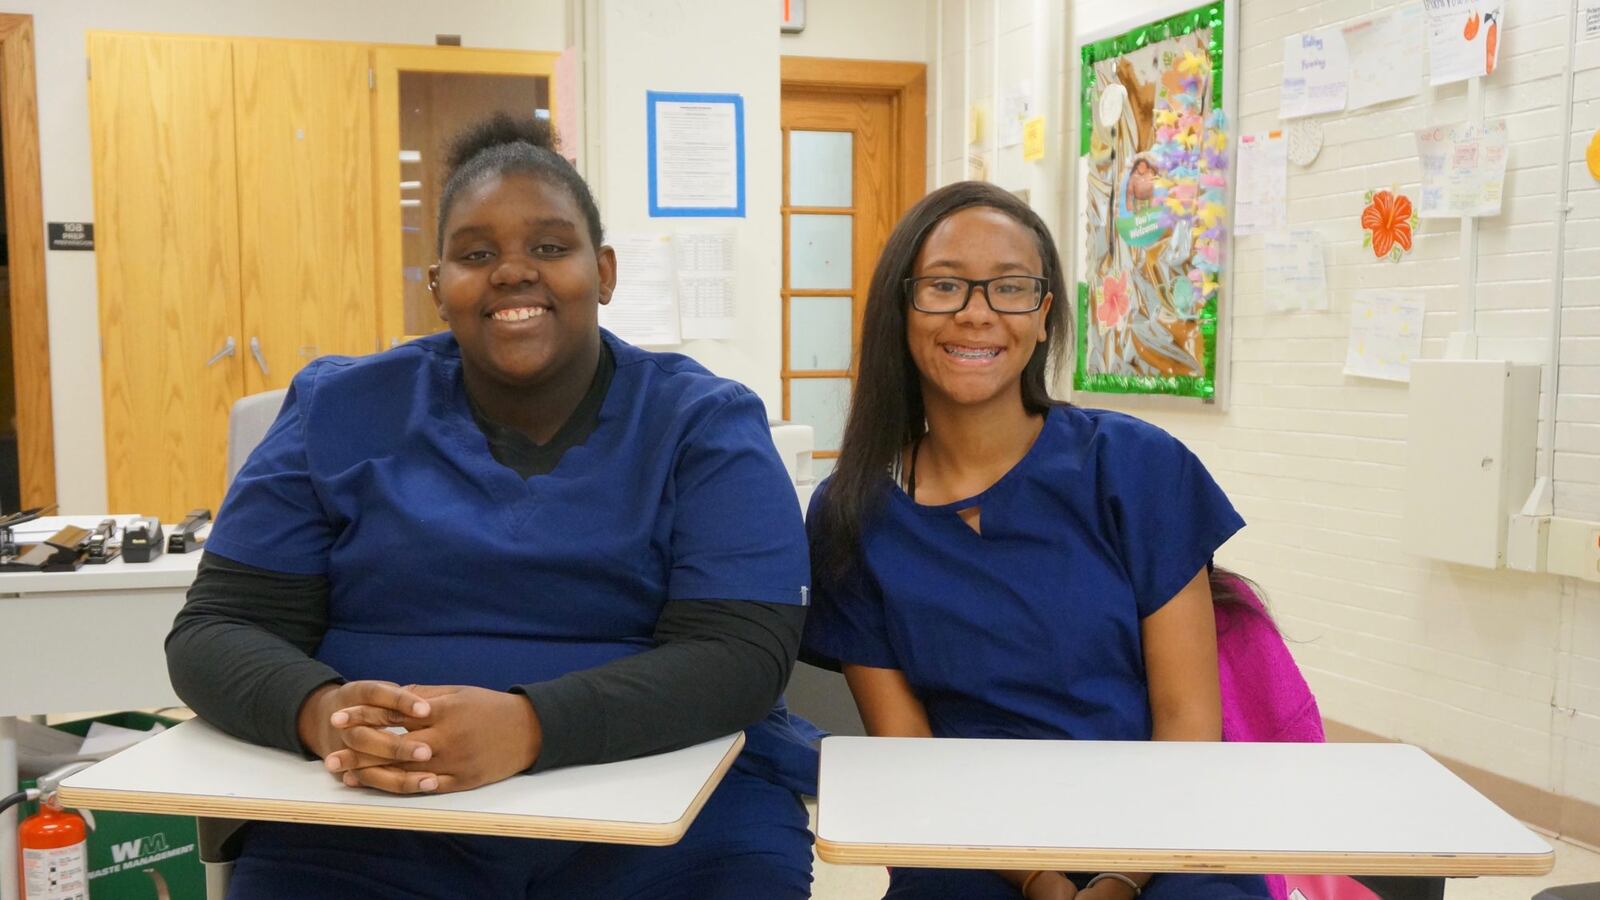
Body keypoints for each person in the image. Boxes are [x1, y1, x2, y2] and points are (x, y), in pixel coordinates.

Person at [166, 114, 817, 900]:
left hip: (668, 820)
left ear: (604, 272)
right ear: (438, 286)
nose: (514, 272)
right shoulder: (338, 408)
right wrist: (325, 714)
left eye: (549, 247)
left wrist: (531, 727)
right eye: (477, 254)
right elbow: (218, 629)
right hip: (368, 821)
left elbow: (742, 654)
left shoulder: (703, 424)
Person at [802, 180, 1272, 900]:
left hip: (1156, 826)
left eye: (1010, 289)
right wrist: (1038, 879)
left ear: (1044, 314)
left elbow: (1187, 719)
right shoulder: (853, 511)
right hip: (967, 840)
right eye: (945, 286)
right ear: (903, 308)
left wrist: (1119, 878)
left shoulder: (1135, 466)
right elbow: (907, 748)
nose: (977, 314)